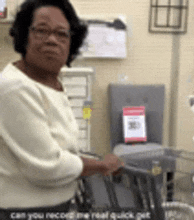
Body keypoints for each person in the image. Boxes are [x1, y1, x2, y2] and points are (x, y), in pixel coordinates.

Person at [0, 0, 123, 219]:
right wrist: (101, 165)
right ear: (23, 36)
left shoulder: (49, 83)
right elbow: (46, 167)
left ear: (71, 44)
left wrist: (90, 162)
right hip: (22, 211)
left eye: (62, 34)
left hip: (53, 207)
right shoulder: (15, 88)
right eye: (41, 31)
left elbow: (60, 147)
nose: (52, 40)